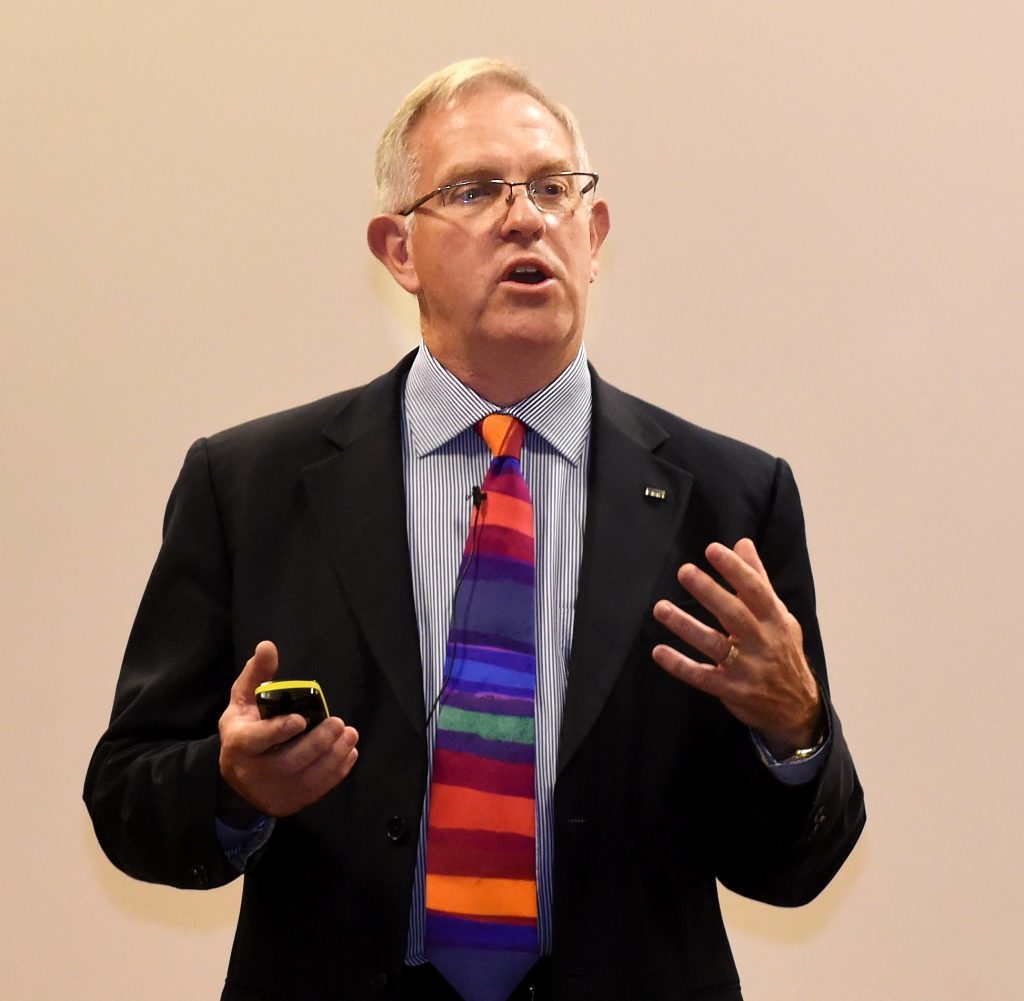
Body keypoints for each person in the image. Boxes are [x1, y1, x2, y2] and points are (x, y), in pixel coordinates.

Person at [84, 58, 865, 1001]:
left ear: (593, 233)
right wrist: (231, 786)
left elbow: (788, 870)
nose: (524, 216)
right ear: (398, 249)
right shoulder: (250, 486)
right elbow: (127, 795)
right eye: (474, 190)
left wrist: (795, 729)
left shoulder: (732, 499)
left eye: (551, 188)